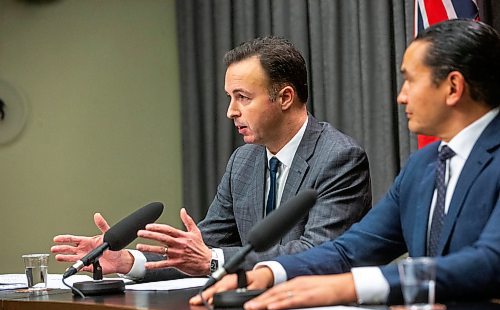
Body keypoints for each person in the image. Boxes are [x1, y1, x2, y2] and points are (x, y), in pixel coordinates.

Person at [191, 19, 500, 310]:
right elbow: (351, 249)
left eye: (410, 80)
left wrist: (350, 286)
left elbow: (489, 262)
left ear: (453, 87)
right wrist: (272, 272)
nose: (401, 97)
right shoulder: (423, 165)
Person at [51, 36, 371, 281]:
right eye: (229, 98)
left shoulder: (339, 158)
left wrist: (212, 260)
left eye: (243, 98)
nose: (231, 111)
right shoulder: (243, 162)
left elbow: (318, 253)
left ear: (285, 97)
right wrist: (126, 262)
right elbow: (201, 247)